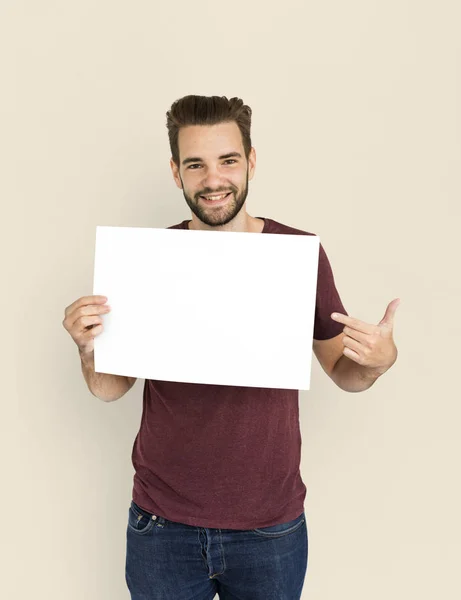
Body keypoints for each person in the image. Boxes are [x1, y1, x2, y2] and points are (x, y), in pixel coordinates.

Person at [62, 95, 399, 600]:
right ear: (176, 172)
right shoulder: (148, 261)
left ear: (252, 162)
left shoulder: (297, 254)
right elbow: (109, 388)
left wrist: (378, 362)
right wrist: (88, 351)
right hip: (163, 526)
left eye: (228, 160)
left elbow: (343, 372)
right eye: (195, 164)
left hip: (270, 529)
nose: (213, 179)